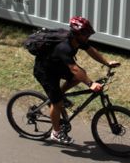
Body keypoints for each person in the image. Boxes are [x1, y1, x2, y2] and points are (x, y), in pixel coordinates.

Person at [32, 16, 120, 144]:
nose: (88, 37)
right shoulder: (64, 47)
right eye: (86, 34)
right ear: (77, 34)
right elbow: (74, 68)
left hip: (56, 66)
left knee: (80, 75)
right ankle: (55, 133)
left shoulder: (78, 40)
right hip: (45, 72)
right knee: (56, 102)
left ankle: (59, 95)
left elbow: (91, 50)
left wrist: (107, 63)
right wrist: (90, 83)